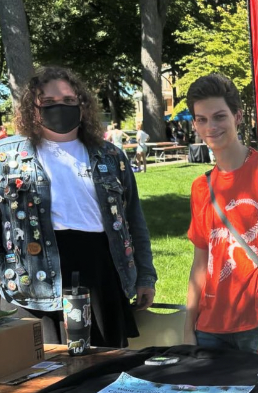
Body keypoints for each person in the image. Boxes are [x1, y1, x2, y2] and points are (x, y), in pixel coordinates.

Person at [0, 65, 157, 347]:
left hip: (102, 272)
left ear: (82, 105)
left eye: (69, 101)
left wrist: (145, 276)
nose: (59, 108)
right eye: (48, 102)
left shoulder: (111, 156)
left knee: (104, 369)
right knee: (45, 374)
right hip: (34, 281)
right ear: (32, 108)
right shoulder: (7, 158)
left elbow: (134, 220)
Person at [183, 73, 258, 359]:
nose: (211, 127)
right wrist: (187, 327)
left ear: (237, 116)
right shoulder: (201, 187)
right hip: (210, 326)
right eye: (202, 119)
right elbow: (200, 262)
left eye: (219, 116)